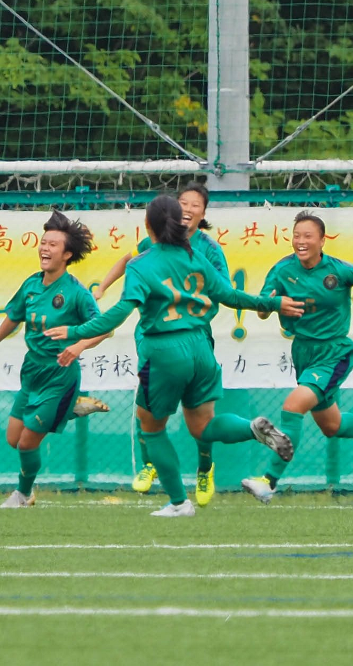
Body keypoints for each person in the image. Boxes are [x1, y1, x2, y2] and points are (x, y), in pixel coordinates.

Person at [44, 195, 304, 517]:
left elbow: (122, 311)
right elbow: (230, 296)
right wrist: (273, 304)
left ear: (148, 226)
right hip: (200, 346)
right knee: (204, 426)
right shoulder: (195, 256)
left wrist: (76, 332)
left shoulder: (141, 263)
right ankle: (250, 428)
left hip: (165, 351)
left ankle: (180, 503)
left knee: (151, 429)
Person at [240, 211, 353, 502]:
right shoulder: (282, 270)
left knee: (293, 407)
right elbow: (263, 308)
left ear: (322, 240)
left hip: (334, 352)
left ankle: (269, 482)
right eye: (296, 236)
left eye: (307, 236)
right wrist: (273, 305)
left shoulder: (338, 271)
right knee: (332, 426)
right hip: (303, 351)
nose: (300, 242)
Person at [99, 183, 228, 506]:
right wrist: (101, 287)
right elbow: (126, 261)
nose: (187, 208)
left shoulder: (207, 250)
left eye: (194, 204)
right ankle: (150, 464)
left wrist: (192, 314)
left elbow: (223, 291)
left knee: (200, 420)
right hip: (155, 340)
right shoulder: (151, 244)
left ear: (204, 212)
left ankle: (204, 467)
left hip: (193, 338)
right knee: (148, 408)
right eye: (182, 202)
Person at [0, 212, 112, 508]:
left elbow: (105, 328)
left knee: (27, 443)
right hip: (32, 371)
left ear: (67, 254)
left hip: (60, 376)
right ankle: (69, 410)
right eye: (43, 242)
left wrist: (78, 347)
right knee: (14, 439)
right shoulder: (31, 285)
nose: (44, 248)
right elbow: (13, 317)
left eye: (52, 244)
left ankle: (22, 494)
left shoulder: (76, 293)